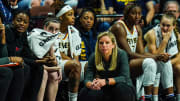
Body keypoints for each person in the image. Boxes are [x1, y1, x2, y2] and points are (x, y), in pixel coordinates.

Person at [109, 4, 169, 101]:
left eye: (139, 13)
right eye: (133, 13)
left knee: (164, 62)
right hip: (117, 64)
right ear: (126, 14)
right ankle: (147, 98)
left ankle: (169, 97)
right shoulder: (119, 27)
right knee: (150, 62)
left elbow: (141, 52)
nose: (137, 16)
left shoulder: (137, 28)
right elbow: (129, 53)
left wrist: (159, 56)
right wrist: (155, 57)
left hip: (131, 62)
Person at [79, 31, 136, 101]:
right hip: (104, 88)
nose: (104, 45)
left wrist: (105, 81)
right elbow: (87, 79)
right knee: (85, 91)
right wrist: (91, 85)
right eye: (101, 43)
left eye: (107, 42)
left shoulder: (121, 54)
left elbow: (124, 77)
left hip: (123, 87)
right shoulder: (93, 56)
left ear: (113, 45)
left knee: (120, 88)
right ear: (98, 45)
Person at [144, 13, 179, 101]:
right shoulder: (151, 34)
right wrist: (165, 40)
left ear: (174, 26)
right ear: (159, 23)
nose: (165, 28)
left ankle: (172, 96)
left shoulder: (176, 34)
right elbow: (155, 56)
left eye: (168, 26)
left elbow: (178, 56)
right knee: (162, 63)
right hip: (146, 62)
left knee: (167, 63)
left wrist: (167, 60)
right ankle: (167, 97)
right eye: (163, 25)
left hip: (161, 62)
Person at [52, 1, 82, 101]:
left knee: (89, 65)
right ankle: (73, 99)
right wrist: (72, 61)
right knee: (76, 65)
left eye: (73, 14)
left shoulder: (74, 32)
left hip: (68, 64)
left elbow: (76, 57)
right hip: (55, 63)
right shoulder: (53, 30)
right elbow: (56, 52)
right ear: (61, 17)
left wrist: (74, 61)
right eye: (70, 15)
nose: (73, 17)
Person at [36, 17, 62, 101]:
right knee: (44, 73)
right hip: (35, 65)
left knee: (54, 75)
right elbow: (37, 62)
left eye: (56, 29)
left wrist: (58, 68)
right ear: (44, 28)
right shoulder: (36, 37)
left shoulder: (56, 39)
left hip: (46, 66)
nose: (54, 32)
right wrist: (56, 67)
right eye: (51, 29)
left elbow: (55, 61)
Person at [75, 8, 97, 74]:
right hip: (80, 65)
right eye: (86, 18)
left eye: (91, 19)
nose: (88, 21)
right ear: (80, 20)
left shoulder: (96, 36)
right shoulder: (75, 34)